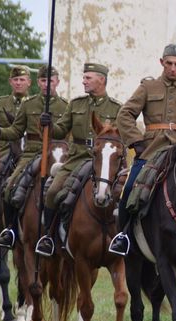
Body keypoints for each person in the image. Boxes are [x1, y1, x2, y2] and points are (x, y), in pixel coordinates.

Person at [108, 43, 176, 256]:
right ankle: (123, 236)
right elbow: (124, 115)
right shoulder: (148, 88)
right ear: (162, 63)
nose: (172, 68)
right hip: (151, 151)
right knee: (130, 189)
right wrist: (136, 142)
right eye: (168, 63)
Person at [35, 62, 122, 256]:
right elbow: (60, 131)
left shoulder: (117, 108)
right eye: (84, 78)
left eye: (88, 78)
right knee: (53, 192)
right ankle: (48, 237)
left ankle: (122, 238)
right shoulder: (76, 104)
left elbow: (120, 138)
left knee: (124, 196)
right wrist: (47, 124)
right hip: (76, 158)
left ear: (102, 79)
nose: (84, 81)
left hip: (104, 163)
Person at [0, 65, 68, 248]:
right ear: (38, 82)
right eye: (43, 81)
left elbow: (69, 134)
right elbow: (15, 131)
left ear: (57, 82)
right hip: (31, 152)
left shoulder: (66, 106)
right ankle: (11, 230)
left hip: (56, 154)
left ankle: (66, 230)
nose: (46, 84)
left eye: (50, 80)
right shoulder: (29, 105)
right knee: (10, 187)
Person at [0, 65, 32, 158]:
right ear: (10, 82)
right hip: (3, 153)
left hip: (27, 153)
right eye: (15, 79)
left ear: (29, 82)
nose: (18, 83)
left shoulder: (35, 105)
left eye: (22, 80)